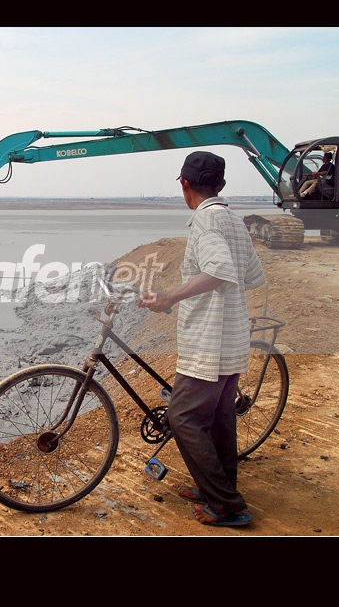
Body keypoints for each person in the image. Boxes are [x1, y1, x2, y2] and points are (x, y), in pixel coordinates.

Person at [138, 151, 266, 527]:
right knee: (219, 419)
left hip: (209, 339)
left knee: (182, 417)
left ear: (184, 184)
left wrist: (170, 296)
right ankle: (216, 489)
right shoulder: (232, 219)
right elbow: (252, 276)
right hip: (232, 334)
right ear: (221, 184)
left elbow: (220, 270)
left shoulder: (206, 220)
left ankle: (225, 503)